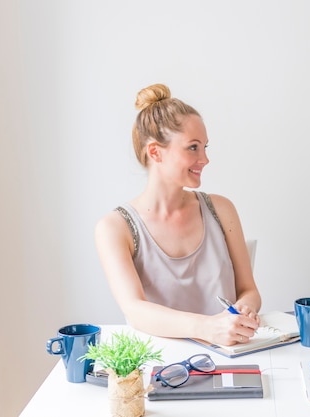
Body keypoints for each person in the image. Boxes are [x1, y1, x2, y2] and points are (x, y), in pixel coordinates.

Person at [95, 83, 261, 346]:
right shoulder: (115, 228)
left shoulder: (222, 209)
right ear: (155, 152)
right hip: (161, 367)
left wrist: (244, 309)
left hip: (230, 357)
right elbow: (134, 310)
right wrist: (207, 328)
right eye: (193, 147)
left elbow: (248, 290)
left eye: (205, 147)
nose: (205, 159)